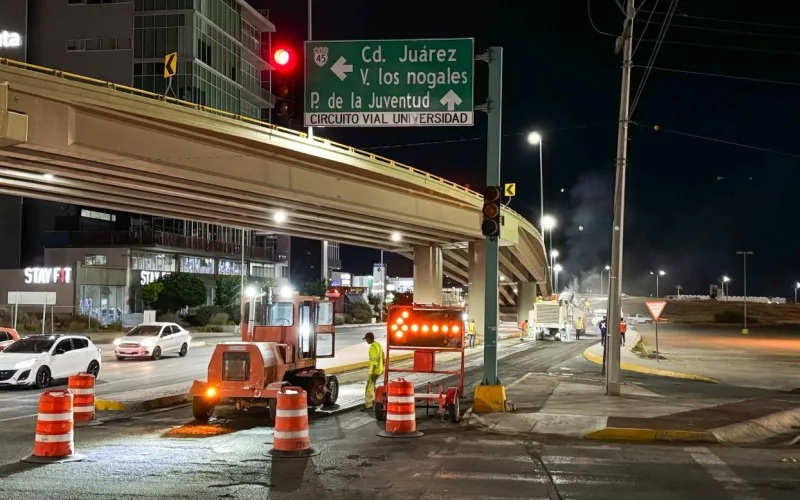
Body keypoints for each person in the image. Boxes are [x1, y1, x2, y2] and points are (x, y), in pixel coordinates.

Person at [362, 332, 384, 411]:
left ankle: (369, 405)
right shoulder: (378, 344)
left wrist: (374, 372)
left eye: (366, 339)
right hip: (379, 369)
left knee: (369, 388)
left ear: (369, 338)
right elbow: (383, 356)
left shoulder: (372, 347)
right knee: (372, 385)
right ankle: (374, 401)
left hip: (374, 370)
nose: (366, 341)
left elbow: (374, 360)